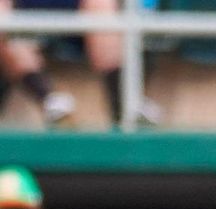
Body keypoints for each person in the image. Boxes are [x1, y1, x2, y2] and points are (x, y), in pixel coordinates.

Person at [0, 0, 161, 127]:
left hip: (82, 8)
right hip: (22, 10)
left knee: (101, 3)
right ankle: (50, 100)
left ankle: (125, 105)